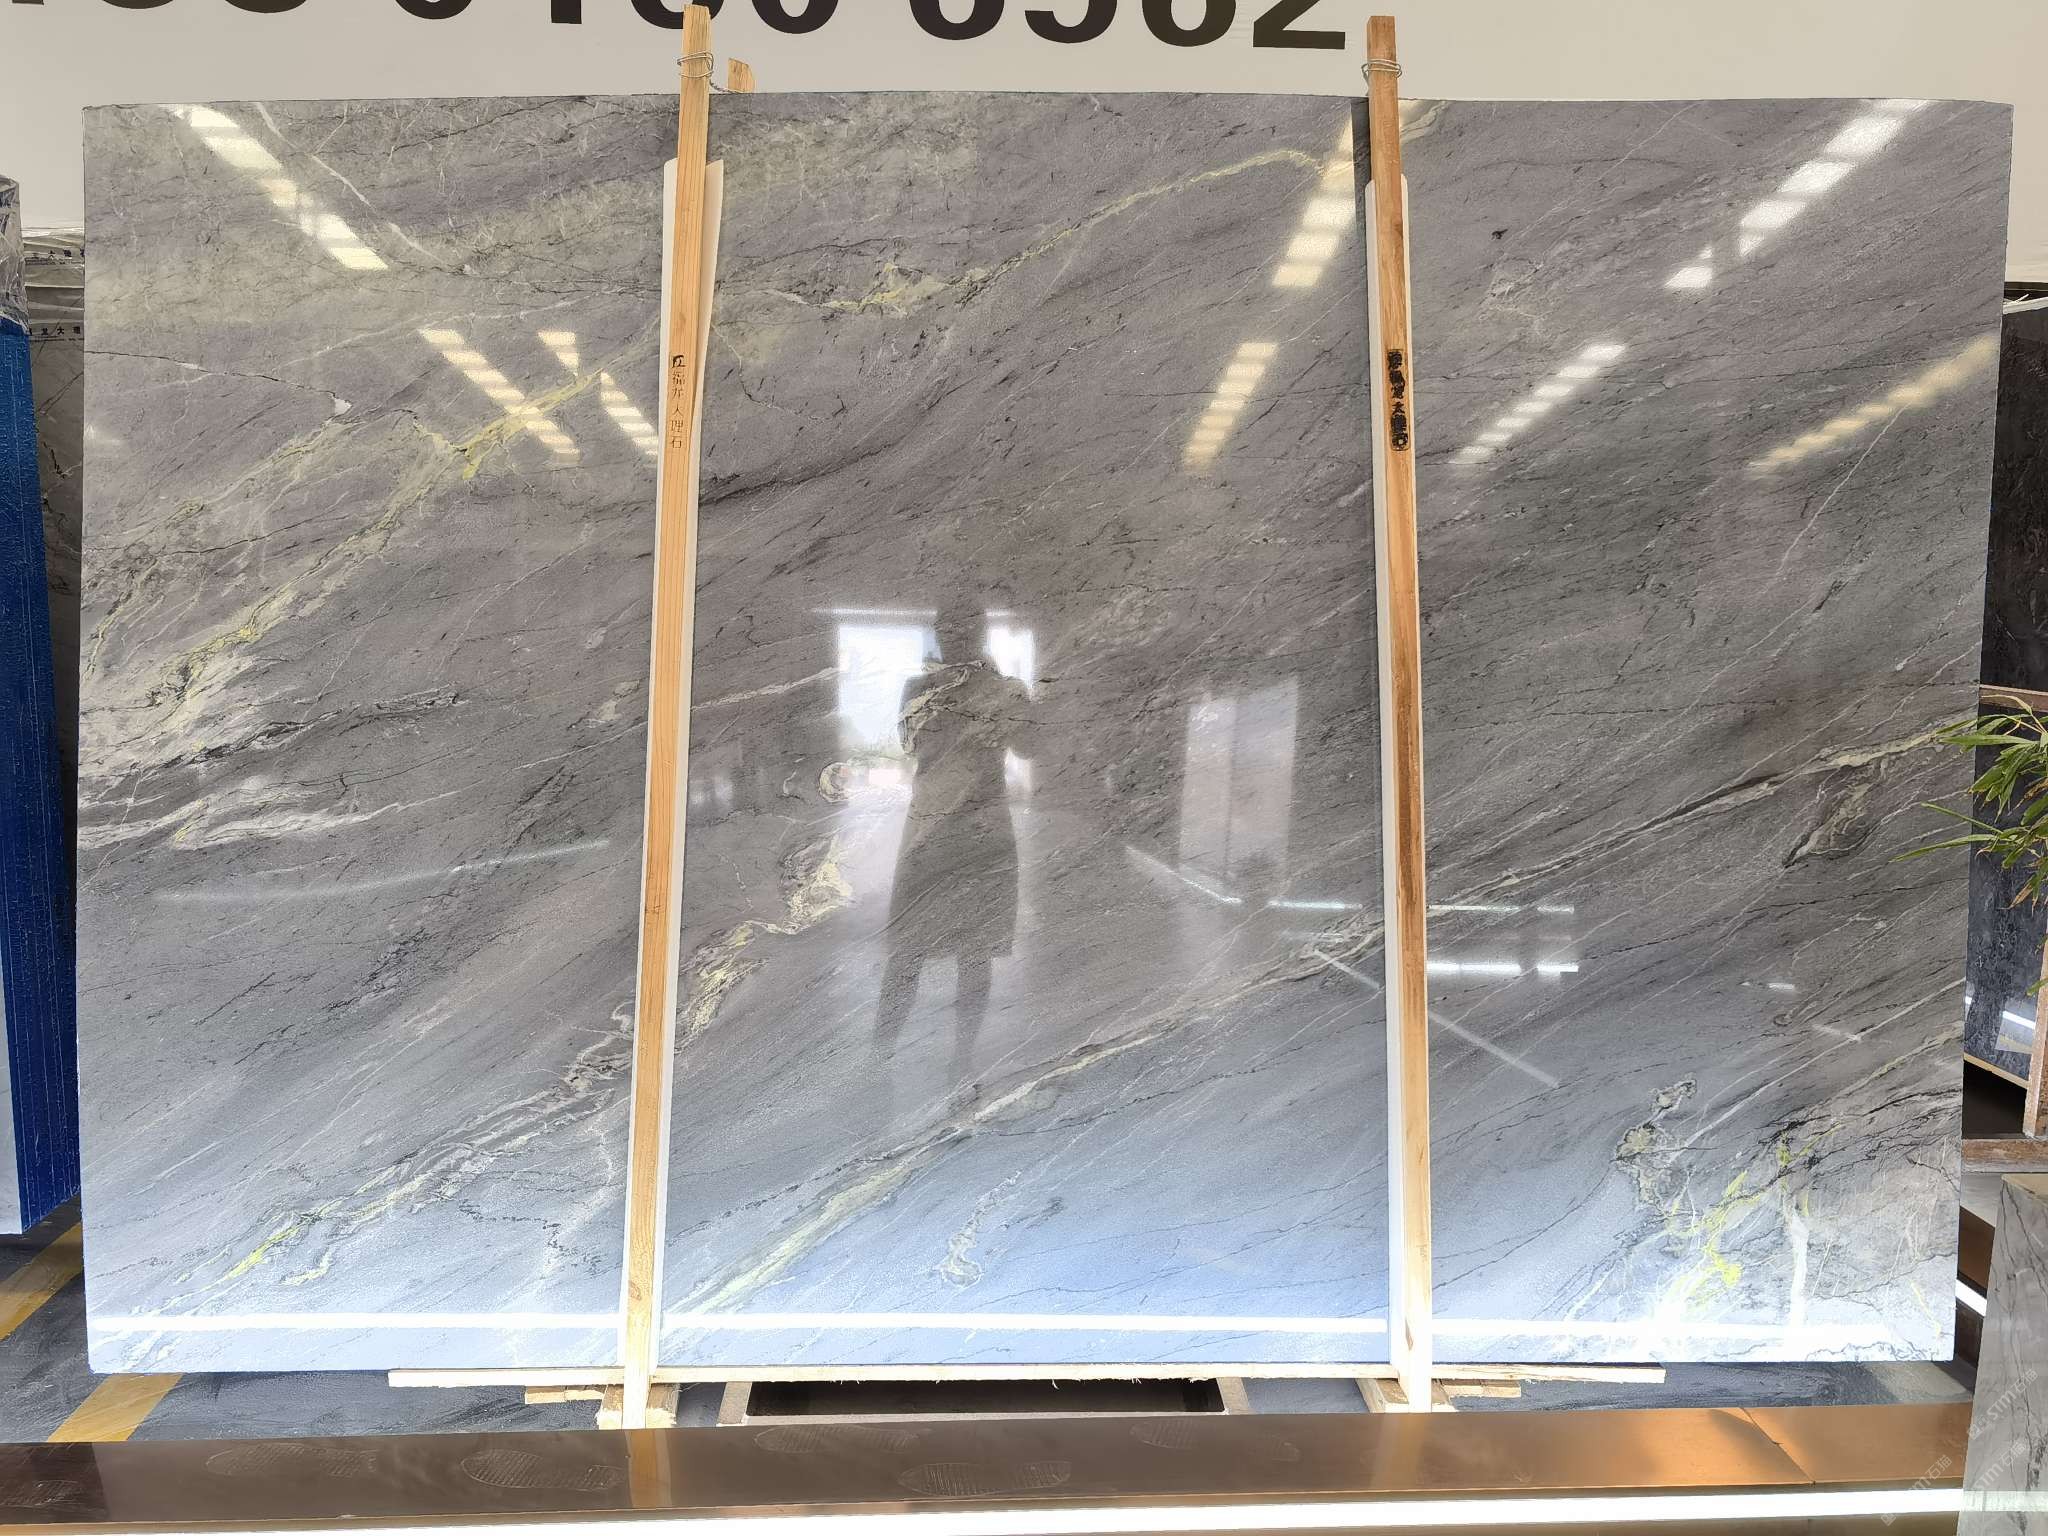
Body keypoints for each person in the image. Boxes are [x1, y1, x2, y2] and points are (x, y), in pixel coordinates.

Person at [874, 601, 1032, 1087]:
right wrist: (970, 694)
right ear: (938, 634)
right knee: (908, 947)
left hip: (983, 827)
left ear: (979, 633)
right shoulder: (920, 688)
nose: (954, 638)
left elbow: (1030, 747)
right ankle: (881, 1053)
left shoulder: (1006, 689)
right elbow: (911, 743)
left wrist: (1001, 695)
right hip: (931, 828)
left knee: (974, 950)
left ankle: (961, 1059)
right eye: (947, 630)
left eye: (964, 629)